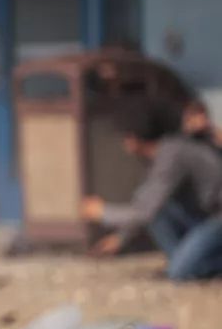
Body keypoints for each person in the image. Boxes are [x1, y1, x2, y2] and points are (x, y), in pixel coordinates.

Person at [81, 98, 222, 280]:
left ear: (133, 139)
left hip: (216, 218)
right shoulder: (168, 151)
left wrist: (102, 212)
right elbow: (147, 203)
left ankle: (191, 266)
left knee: (180, 273)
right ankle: (185, 261)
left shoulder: (173, 155)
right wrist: (122, 237)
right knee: (160, 211)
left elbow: (144, 212)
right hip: (205, 216)